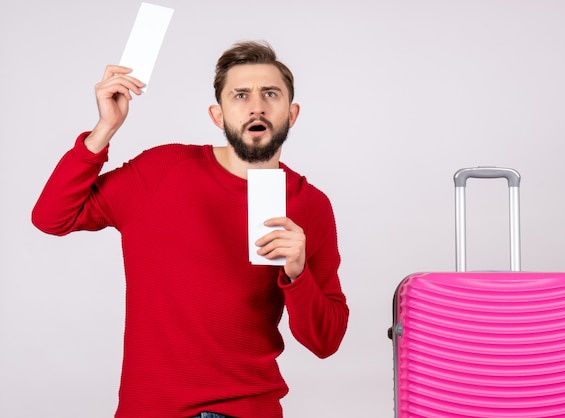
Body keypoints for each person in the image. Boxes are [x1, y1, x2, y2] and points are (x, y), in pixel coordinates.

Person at [32, 40, 349, 418]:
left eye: (270, 94)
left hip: (249, 409)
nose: (257, 105)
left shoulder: (310, 204)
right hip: (151, 410)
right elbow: (52, 217)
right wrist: (104, 129)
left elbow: (326, 341)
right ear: (218, 115)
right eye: (240, 95)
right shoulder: (163, 169)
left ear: (291, 113)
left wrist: (297, 276)